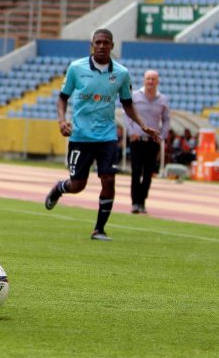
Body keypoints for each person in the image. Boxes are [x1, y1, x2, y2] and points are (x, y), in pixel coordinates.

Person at [43, 29, 160, 241]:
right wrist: (62, 121)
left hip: (107, 136)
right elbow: (62, 99)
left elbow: (127, 104)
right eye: (98, 42)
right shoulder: (76, 68)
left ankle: (99, 229)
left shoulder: (121, 73)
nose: (102, 46)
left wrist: (143, 126)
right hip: (80, 136)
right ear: (92, 44)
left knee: (108, 179)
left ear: (112, 46)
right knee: (78, 185)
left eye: (106, 42)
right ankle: (59, 189)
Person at [125, 70, 170, 214]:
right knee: (136, 171)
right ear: (144, 80)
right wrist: (131, 131)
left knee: (148, 173)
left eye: (153, 79)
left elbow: (166, 120)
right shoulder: (135, 96)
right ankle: (135, 203)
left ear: (157, 81)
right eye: (148, 78)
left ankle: (142, 202)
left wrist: (162, 136)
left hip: (152, 141)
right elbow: (128, 114)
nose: (150, 81)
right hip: (137, 139)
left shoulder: (163, 99)